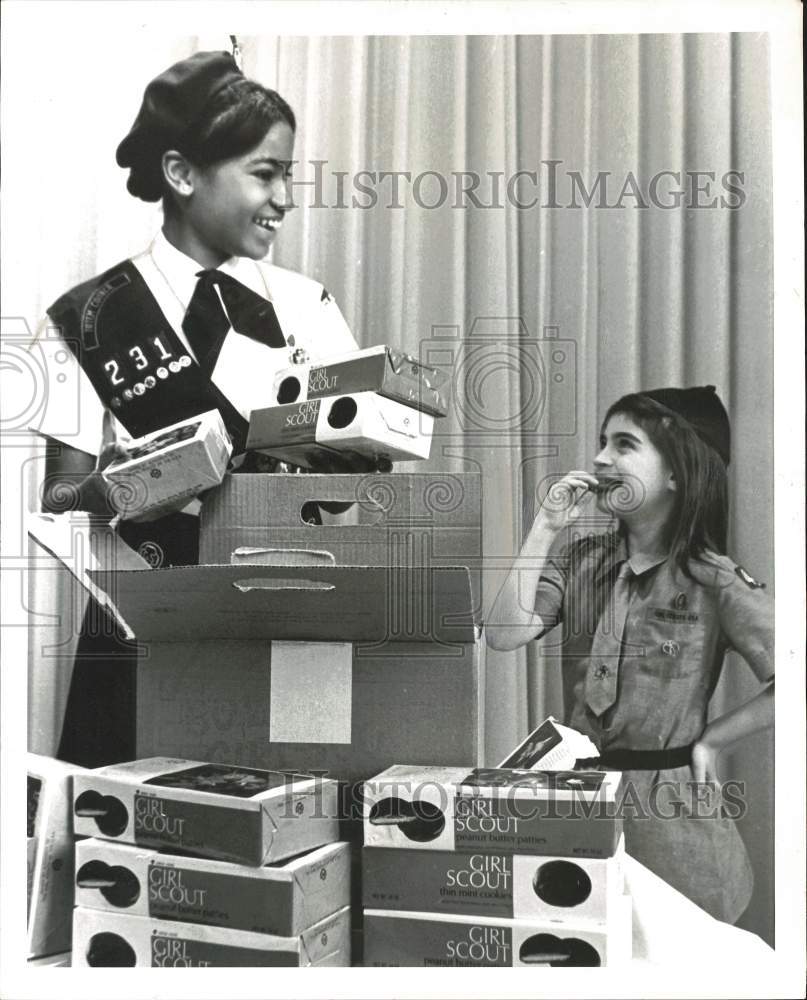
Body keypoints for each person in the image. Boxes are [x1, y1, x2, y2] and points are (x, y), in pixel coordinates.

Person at [33, 51, 369, 766]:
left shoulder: (307, 308)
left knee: (287, 844)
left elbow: (362, 471)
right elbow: (60, 494)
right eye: (263, 173)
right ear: (183, 175)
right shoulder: (90, 319)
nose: (283, 197)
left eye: (287, 175)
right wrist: (117, 484)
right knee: (128, 851)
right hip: (145, 628)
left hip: (286, 616)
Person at [486, 385, 774, 923]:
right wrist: (544, 530)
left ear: (676, 474)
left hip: (671, 827)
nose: (599, 459)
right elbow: (504, 633)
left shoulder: (715, 580)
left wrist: (714, 739)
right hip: (578, 803)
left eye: (624, 444)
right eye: (602, 442)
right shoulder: (581, 560)